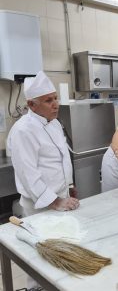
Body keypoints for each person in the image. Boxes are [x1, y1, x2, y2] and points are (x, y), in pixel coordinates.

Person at [7, 71, 80, 217]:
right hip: (39, 205)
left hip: (62, 197)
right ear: (31, 105)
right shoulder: (23, 130)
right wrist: (54, 201)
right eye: (48, 101)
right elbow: (27, 174)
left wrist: (69, 185)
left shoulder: (54, 123)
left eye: (56, 98)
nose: (56, 105)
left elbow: (62, 156)